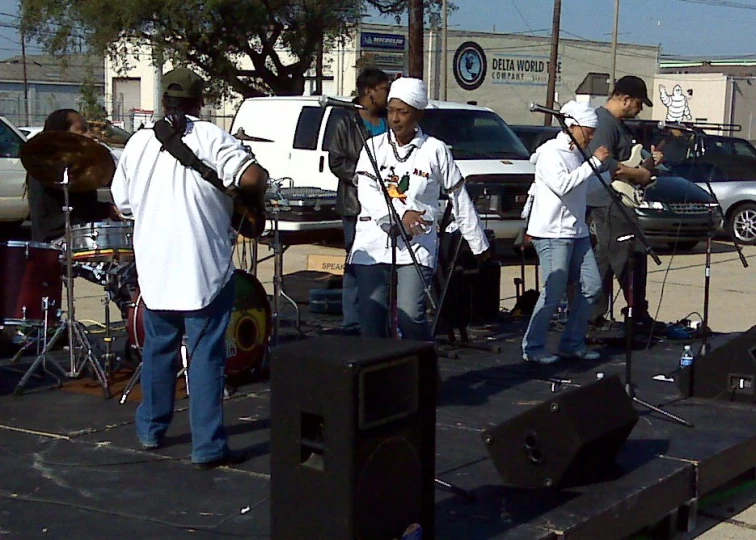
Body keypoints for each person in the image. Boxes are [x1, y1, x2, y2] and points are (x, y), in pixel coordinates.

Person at [111, 67, 269, 469]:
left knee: (158, 352)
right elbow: (250, 176)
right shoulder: (212, 137)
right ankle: (208, 447)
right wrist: (257, 179)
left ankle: (151, 429)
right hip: (203, 267)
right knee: (204, 358)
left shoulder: (138, 144)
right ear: (200, 101)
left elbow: (122, 204)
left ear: (164, 100)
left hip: (156, 268)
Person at [348, 77, 489, 340]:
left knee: (410, 314)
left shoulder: (435, 150)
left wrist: (477, 242)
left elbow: (458, 196)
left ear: (418, 114)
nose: (395, 119)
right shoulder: (373, 147)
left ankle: (422, 370)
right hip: (374, 242)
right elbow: (366, 191)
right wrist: (397, 216)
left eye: (403, 112)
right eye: (391, 111)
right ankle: (380, 378)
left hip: (417, 243)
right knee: (371, 320)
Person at [521, 101, 609, 364]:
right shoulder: (551, 153)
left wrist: (613, 176)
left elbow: (587, 185)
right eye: (588, 130)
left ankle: (572, 342)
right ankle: (533, 346)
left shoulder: (579, 154)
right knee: (553, 291)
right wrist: (593, 162)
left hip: (577, 231)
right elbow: (563, 185)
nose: (592, 136)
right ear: (572, 126)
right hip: (551, 232)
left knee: (592, 286)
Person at [586, 76, 666, 335]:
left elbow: (630, 161)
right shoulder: (603, 123)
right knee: (631, 256)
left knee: (607, 258)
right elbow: (604, 164)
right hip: (610, 200)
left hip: (618, 200)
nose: (640, 109)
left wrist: (650, 163)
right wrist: (638, 175)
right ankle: (635, 314)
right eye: (639, 103)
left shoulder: (620, 125)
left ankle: (593, 315)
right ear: (624, 98)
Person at [327, 67, 390, 334]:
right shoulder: (346, 122)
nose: (388, 95)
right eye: (384, 89)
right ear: (369, 92)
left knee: (386, 262)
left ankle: (383, 317)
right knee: (356, 262)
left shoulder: (390, 119)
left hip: (390, 202)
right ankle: (352, 320)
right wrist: (363, 178)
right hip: (356, 204)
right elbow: (336, 161)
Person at [26, 109, 118, 244]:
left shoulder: (73, 168)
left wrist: (109, 209)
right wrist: (106, 210)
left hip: (77, 239)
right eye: (82, 130)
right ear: (62, 134)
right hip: (58, 244)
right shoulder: (49, 168)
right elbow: (75, 214)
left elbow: (83, 207)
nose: (90, 135)